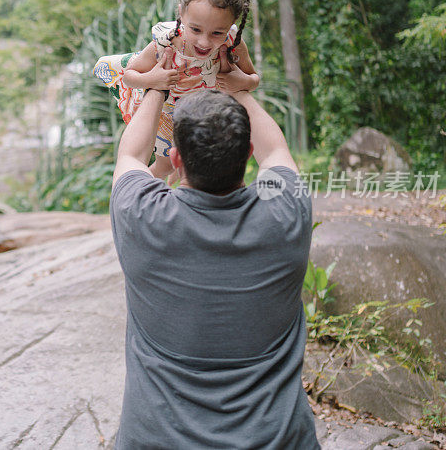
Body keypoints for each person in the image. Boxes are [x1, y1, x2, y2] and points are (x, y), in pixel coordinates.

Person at [109, 86, 320, 448]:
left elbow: (131, 155)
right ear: (247, 154)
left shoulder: (143, 216)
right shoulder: (284, 210)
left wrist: (158, 87)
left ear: (176, 159)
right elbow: (276, 153)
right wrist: (238, 88)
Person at [94, 0, 260, 180]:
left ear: (231, 24)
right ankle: (136, 200)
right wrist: (153, 80)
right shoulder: (168, 42)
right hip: (166, 113)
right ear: (182, 13)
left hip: (203, 114)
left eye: (217, 32)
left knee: (194, 166)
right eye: (196, 29)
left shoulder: (232, 42)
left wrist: (241, 81)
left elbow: (253, 79)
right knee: (166, 166)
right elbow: (130, 75)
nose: (204, 42)